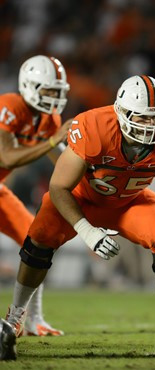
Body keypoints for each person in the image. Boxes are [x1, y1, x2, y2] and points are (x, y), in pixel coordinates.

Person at [0, 75, 155, 360]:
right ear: (121, 112)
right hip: (83, 199)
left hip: (130, 202)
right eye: (142, 118)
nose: (151, 126)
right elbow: (59, 187)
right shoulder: (94, 126)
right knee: (39, 236)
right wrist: (87, 231)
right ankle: (17, 314)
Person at [0, 55, 72, 338]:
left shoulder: (49, 119)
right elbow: (6, 155)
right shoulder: (10, 105)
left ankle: (33, 319)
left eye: (58, 91)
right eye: (49, 90)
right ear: (29, 86)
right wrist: (53, 141)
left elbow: (61, 159)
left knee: (37, 242)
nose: (54, 97)